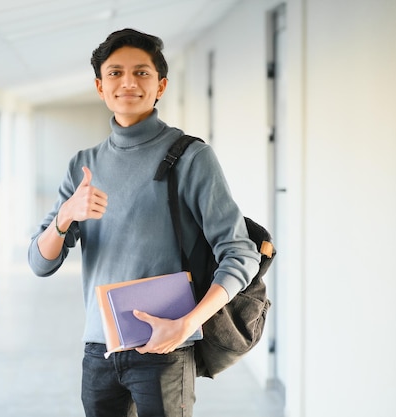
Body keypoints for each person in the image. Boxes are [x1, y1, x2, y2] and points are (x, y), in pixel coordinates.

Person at [28, 28, 260, 417]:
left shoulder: (190, 157)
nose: (128, 82)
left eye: (142, 72)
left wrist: (187, 325)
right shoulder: (83, 165)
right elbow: (40, 263)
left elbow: (240, 254)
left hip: (165, 348)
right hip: (98, 350)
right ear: (101, 87)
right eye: (115, 73)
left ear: (161, 85)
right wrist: (66, 216)